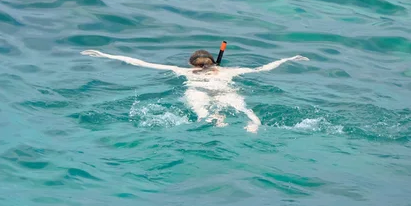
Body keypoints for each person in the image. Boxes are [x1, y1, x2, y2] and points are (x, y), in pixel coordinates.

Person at [80, 49, 309, 133]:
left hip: (198, 90)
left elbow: (139, 62)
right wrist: (289, 58)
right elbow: (262, 69)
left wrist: (105, 55)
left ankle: (215, 119)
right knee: (245, 110)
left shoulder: (183, 72)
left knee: (202, 113)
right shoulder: (230, 71)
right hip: (225, 89)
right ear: (213, 63)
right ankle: (253, 125)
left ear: (192, 65)